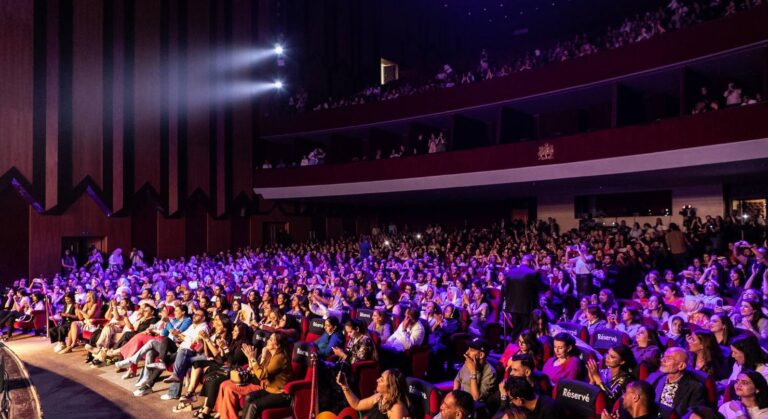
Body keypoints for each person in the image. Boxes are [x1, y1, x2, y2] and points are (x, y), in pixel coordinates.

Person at [214, 333, 293, 419]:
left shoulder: (279, 358)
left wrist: (252, 358)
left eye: (271, 339)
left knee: (254, 405)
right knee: (249, 397)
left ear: (278, 345)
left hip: (281, 393)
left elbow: (261, 375)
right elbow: (255, 371)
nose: (267, 341)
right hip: (269, 389)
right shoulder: (270, 354)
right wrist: (252, 358)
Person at [648, 347, 707, 417]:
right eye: (663, 356)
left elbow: (692, 415)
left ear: (681, 366)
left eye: (669, 358)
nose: (662, 360)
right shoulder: (654, 378)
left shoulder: (694, 388)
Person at [337, 368, 411, 419]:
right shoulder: (380, 397)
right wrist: (344, 385)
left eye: (382, 380)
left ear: (391, 387)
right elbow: (357, 404)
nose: (377, 380)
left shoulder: (397, 408)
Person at [501, 254, 542, 339]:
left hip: (512, 307)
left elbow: (504, 289)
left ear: (521, 261)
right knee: (526, 331)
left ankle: (513, 345)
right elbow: (543, 287)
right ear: (531, 262)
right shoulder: (533, 273)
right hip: (527, 308)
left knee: (516, 330)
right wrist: (538, 271)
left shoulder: (510, 272)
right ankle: (524, 345)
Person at [452, 337, 497, 403]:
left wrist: (473, 371)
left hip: (473, 405)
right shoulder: (468, 363)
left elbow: (476, 398)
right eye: (468, 349)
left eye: (471, 350)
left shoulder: (490, 372)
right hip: (460, 400)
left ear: (481, 355)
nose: (467, 352)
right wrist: (455, 397)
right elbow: (457, 380)